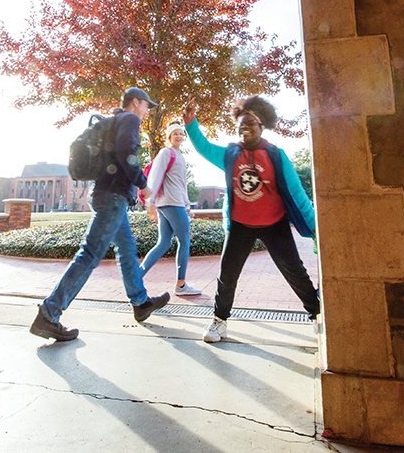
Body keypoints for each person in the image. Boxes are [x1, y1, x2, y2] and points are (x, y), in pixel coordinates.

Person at [30, 87, 171, 341]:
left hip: (108, 195)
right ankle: (49, 314)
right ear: (135, 103)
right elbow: (126, 152)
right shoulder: (129, 119)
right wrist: (142, 183)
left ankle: (140, 303)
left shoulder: (114, 120)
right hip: (114, 197)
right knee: (90, 254)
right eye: (146, 105)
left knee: (127, 250)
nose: (147, 110)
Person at [183, 95, 320, 343]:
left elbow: (297, 193)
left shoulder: (275, 155)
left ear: (261, 126)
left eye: (250, 124)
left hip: (274, 225)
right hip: (240, 227)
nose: (244, 129)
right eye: (241, 125)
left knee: (294, 271)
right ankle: (219, 321)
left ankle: (316, 314)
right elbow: (204, 148)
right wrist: (191, 123)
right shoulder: (230, 155)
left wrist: (313, 229)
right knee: (227, 275)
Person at [139, 121, 202, 296]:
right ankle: (181, 285)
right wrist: (149, 203)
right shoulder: (166, 152)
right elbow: (155, 177)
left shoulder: (179, 156)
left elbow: (182, 184)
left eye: (181, 134)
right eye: (175, 133)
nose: (179, 136)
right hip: (171, 203)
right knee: (184, 241)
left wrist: (187, 205)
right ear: (169, 136)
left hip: (173, 203)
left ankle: (136, 276)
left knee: (164, 243)